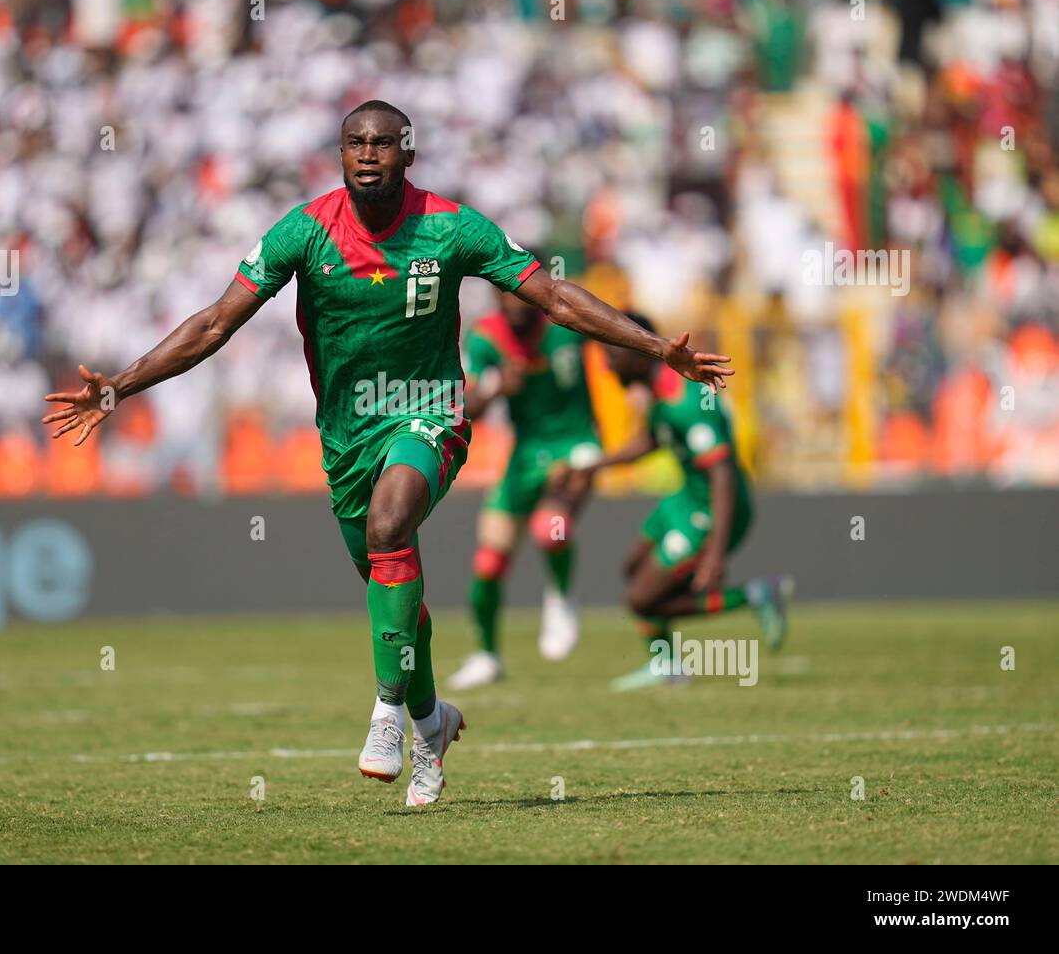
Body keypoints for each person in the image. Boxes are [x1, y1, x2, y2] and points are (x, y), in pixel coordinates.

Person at [43, 102, 734, 804]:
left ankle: (385, 715)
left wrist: (655, 348)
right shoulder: (303, 233)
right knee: (393, 588)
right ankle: (431, 722)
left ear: (408, 154)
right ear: (340, 154)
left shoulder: (453, 227)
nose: (367, 154)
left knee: (388, 524)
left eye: (381, 143)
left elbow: (553, 297)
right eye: (354, 143)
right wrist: (120, 387)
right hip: (345, 438)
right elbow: (216, 322)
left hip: (431, 413)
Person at [563, 311, 788, 692]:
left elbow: (722, 475)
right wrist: (596, 465)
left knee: (641, 600)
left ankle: (753, 595)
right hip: (686, 498)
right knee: (633, 568)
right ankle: (667, 663)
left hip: (711, 509)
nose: (607, 367)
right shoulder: (659, 390)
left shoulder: (684, 398)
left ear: (634, 353)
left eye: (611, 355)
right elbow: (652, 440)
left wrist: (715, 554)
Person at [449, 289, 601, 690]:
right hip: (525, 455)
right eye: (506, 297)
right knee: (488, 564)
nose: (515, 304)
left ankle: (563, 597)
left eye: (521, 296)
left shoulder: (566, 321)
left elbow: (617, 331)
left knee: (550, 530)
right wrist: (497, 386)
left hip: (577, 444)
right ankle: (487, 655)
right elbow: (469, 409)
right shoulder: (486, 337)